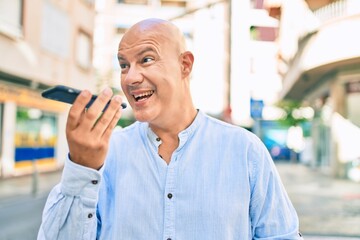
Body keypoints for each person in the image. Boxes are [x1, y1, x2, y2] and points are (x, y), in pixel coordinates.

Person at [38, 18, 303, 239]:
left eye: (146, 59)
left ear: (185, 65)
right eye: (123, 65)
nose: (130, 78)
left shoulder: (245, 150)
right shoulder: (106, 155)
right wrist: (82, 169)